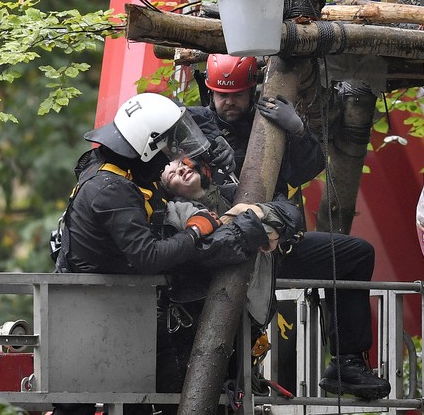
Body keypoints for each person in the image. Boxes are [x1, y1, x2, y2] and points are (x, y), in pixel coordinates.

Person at [52, 93, 272, 415]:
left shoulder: (120, 170)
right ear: (146, 146)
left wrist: (220, 160)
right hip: (93, 311)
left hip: (115, 308)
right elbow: (148, 256)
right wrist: (196, 231)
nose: (174, 154)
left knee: (137, 399)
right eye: (168, 145)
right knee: (80, 406)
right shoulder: (111, 188)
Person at [160, 157, 392, 401]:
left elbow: (289, 211)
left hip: (272, 257)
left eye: (183, 165)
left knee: (357, 254)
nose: (183, 170)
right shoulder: (177, 212)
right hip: (229, 283)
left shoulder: (231, 186)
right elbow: (214, 246)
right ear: (168, 188)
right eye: (173, 174)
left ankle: (348, 362)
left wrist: (260, 217)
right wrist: (258, 221)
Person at [188, 54, 326, 197]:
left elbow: (303, 174)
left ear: (251, 92)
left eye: (238, 95)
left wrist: (298, 130)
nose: (230, 102)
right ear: (212, 94)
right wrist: (215, 137)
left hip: (264, 209)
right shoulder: (197, 122)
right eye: (222, 95)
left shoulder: (270, 123)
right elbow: (169, 113)